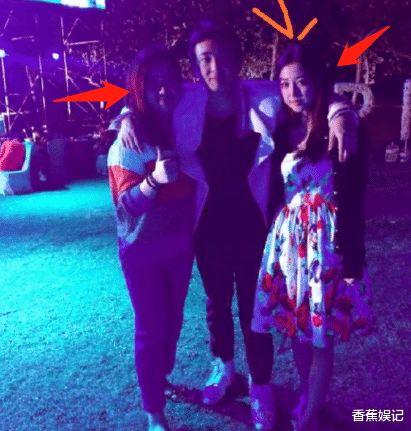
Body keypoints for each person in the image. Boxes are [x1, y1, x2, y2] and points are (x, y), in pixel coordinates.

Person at [116, 19, 360, 431]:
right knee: (216, 304)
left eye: (223, 57)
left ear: (238, 59)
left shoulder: (263, 97)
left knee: (255, 309)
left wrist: (341, 113)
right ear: (196, 66)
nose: (215, 68)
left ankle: (261, 387)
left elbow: (311, 91)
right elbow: (146, 98)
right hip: (206, 226)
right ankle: (224, 367)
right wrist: (124, 116)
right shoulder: (187, 101)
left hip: (254, 226)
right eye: (205, 60)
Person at [252, 43, 372, 431]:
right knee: (299, 330)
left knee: (320, 334)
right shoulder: (282, 129)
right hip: (290, 246)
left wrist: (341, 112)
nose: (292, 92)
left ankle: (308, 416)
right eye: (284, 84)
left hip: (326, 244)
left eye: (301, 82)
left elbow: (354, 193)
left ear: (318, 81)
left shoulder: (339, 125)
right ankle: (309, 396)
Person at [107, 46, 197, 431]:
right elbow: (127, 206)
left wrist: (338, 107)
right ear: (138, 88)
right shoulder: (127, 143)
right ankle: (153, 414)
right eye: (153, 83)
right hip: (141, 251)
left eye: (170, 81)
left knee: (173, 323)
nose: (164, 90)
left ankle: (160, 380)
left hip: (179, 247)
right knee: (151, 328)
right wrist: (155, 180)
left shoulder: (186, 125)